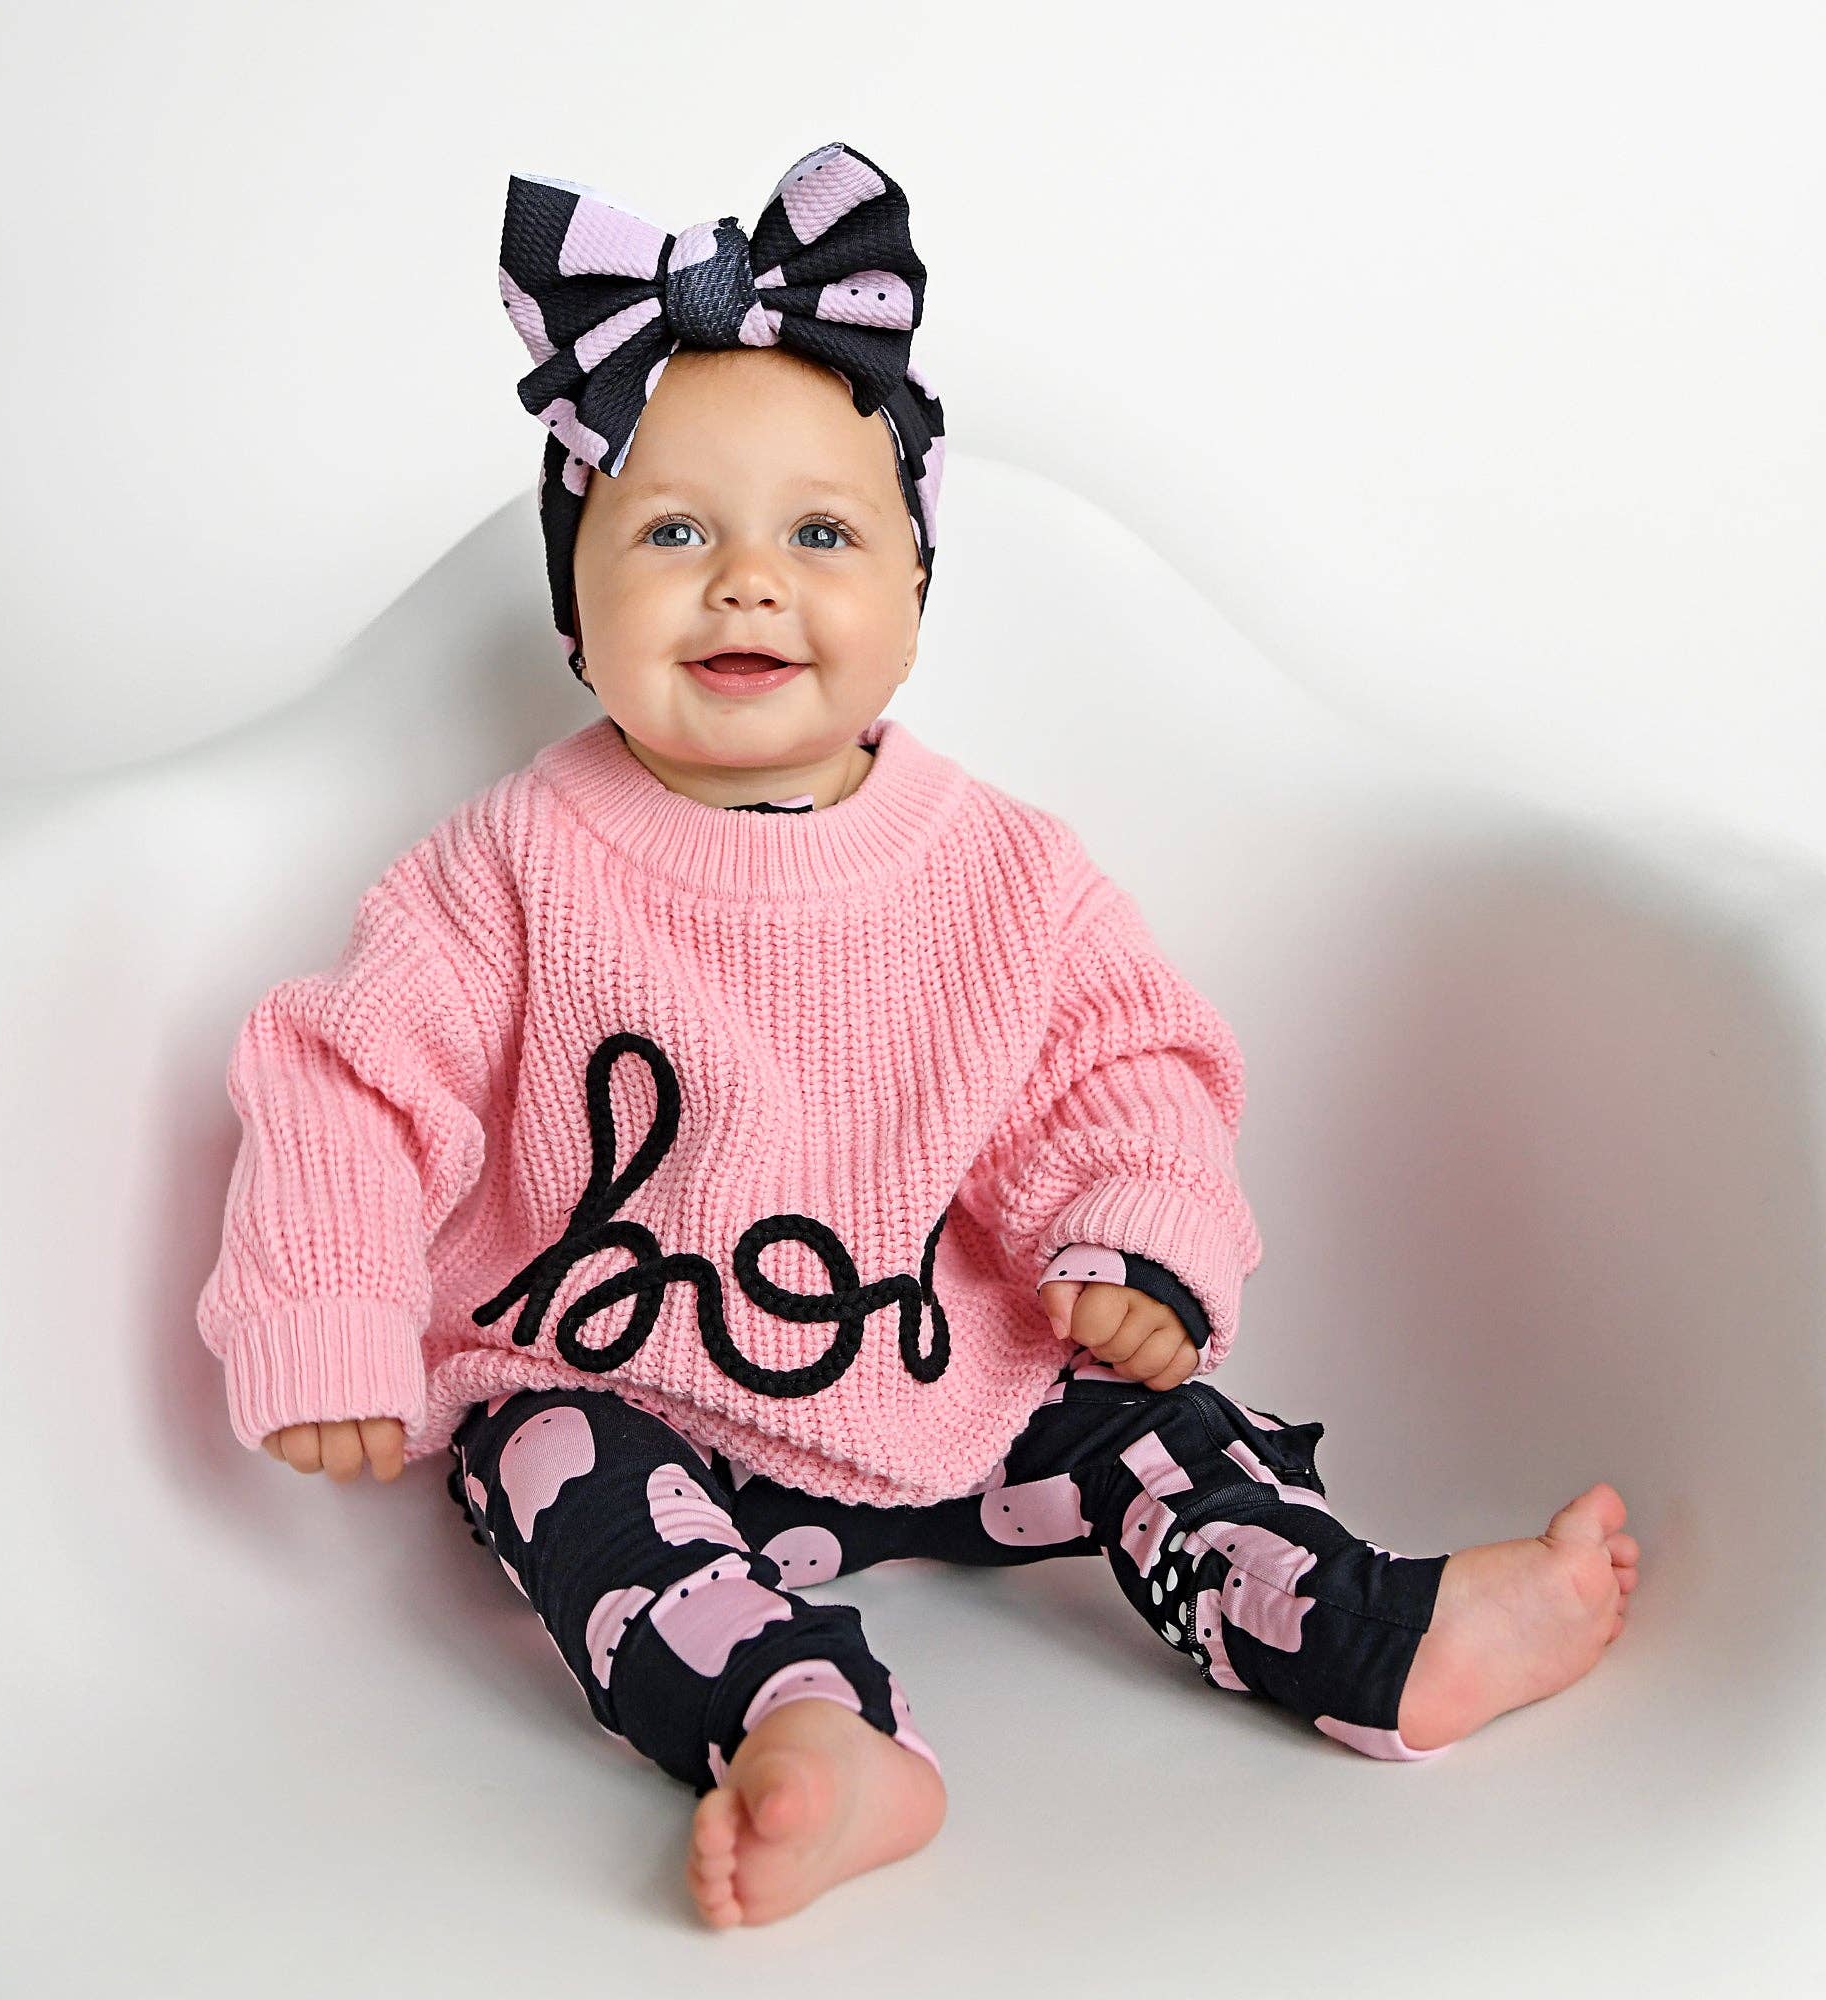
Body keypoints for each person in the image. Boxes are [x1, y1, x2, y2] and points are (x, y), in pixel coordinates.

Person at [194, 141, 1639, 1931]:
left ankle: (1369, 1633)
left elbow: (1122, 1066)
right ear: (575, 610)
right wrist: (330, 1308)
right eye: (671, 533)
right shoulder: (504, 869)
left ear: (915, 598)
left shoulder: (1004, 872)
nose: (746, 584)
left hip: (959, 1383)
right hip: (633, 1402)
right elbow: (355, 1083)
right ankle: (799, 1726)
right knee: (543, 1468)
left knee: (1155, 1423)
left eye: (820, 534)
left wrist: (1127, 1239)